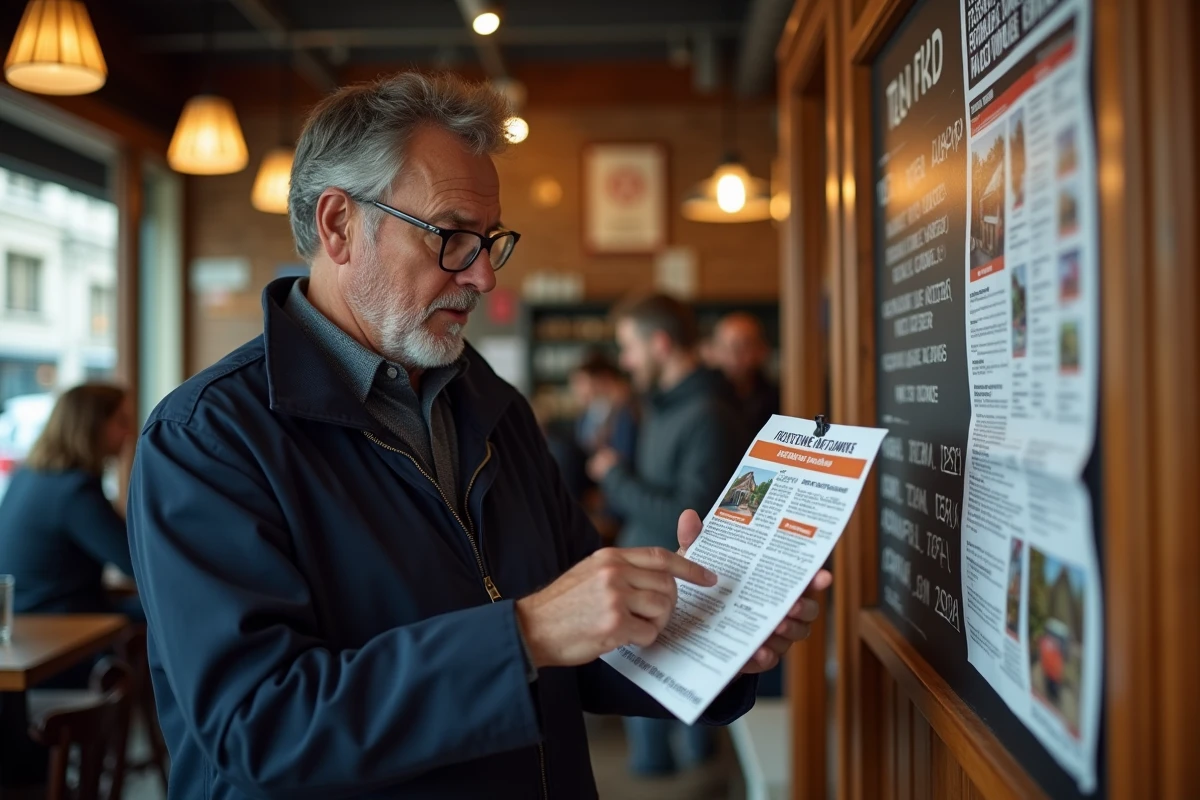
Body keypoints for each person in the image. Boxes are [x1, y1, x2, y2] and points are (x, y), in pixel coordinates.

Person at [127, 72, 829, 799]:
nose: (485, 276)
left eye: (490, 240)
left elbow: (587, 638)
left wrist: (713, 634)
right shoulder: (207, 439)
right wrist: (524, 634)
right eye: (453, 237)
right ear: (338, 226)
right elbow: (258, 727)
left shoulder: (492, 406)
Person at [585, 294, 750, 776]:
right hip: (650, 577)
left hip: (682, 585)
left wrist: (615, 479)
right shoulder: (660, 405)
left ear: (660, 344)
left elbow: (690, 517)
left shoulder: (708, 413)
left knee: (682, 744)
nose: (625, 361)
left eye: (629, 347)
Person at [0, 383, 138, 620]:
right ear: (93, 426)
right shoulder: (76, 492)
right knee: (178, 609)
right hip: (58, 624)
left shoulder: (29, 474)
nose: (130, 432)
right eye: (122, 421)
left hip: (22, 618)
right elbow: (134, 563)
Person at [710, 312, 780, 436]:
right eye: (725, 347)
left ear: (762, 350)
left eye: (743, 346)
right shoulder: (706, 398)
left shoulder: (778, 399)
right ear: (714, 351)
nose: (734, 355)